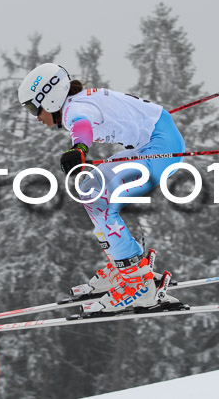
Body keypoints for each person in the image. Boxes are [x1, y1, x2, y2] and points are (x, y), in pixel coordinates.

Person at [17, 63, 186, 314]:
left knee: (101, 201)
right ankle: (125, 267)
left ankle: (136, 285)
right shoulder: (78, 102)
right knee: (89, 189)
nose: (36, 117)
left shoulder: (75, 108)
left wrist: (79, 149)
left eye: (34, 108)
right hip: (149, 144)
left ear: (50, 99)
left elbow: (82, 126)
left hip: (160, 150)